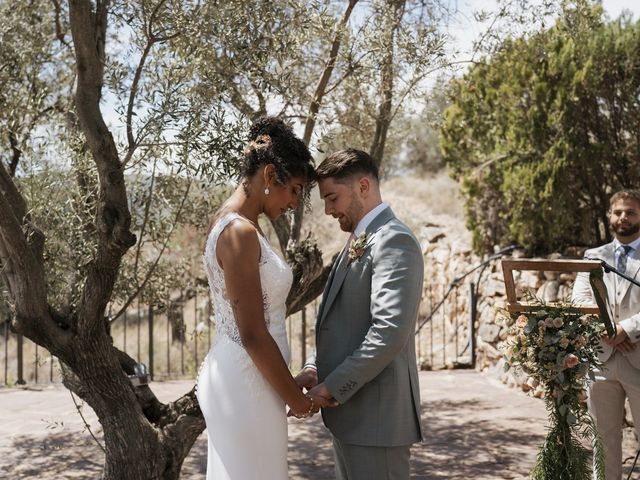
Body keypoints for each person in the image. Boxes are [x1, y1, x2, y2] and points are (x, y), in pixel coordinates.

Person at [195, 116, 335, 480]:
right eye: (295, 190)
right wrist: (297, 400)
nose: (295, 202)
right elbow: (254, 334)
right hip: (246, 384)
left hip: (249, 378)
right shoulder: (239, 232)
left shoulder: (233, 222)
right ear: (271, 176)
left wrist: (288, 384)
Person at [295, 149, 424, 480]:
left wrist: (333, 386)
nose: (327, 210)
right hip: (353, 418)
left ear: (363, 186)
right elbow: (345, 323)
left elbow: (388, 331)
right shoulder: (360, 240)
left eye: (332, 198)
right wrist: (315, 366)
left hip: (376, 421)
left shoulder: (394, 240)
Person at [572, 189, 640, 480]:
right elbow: (580, 301)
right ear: (610, 216)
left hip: (638, 358)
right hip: (602, 361)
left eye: (631, 212)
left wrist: (628, 328)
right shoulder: (593, 256)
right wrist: (610, 331)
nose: (623, 217)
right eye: (618, 212)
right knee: (604, 442)